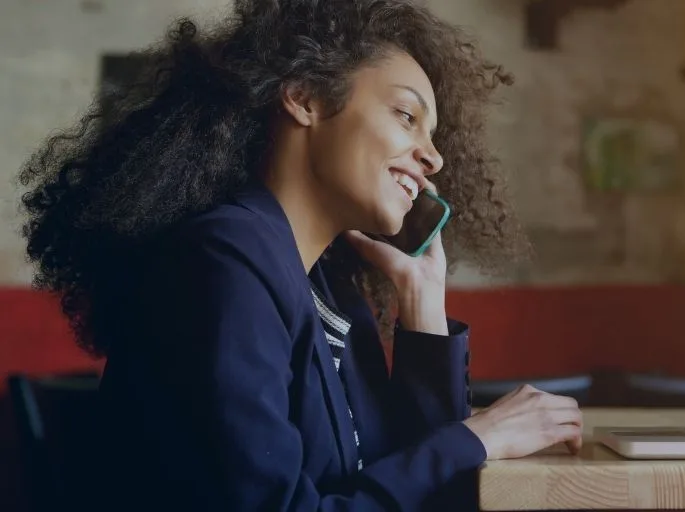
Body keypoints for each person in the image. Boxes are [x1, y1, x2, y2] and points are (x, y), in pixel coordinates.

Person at [17, 0, 584, 510]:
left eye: (432, 135)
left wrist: (421, 299)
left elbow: (417, 486)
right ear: (305, 97)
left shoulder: (327, 281)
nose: (433, 158)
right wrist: (477, 437)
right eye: (407, 116)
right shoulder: (222, 261)